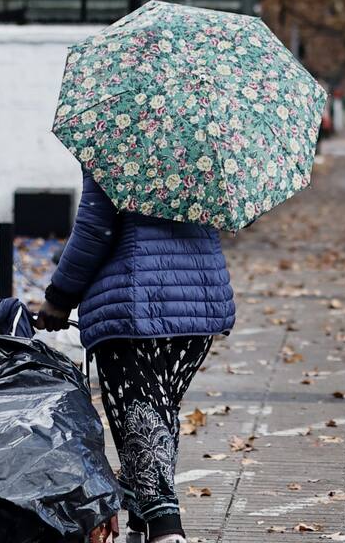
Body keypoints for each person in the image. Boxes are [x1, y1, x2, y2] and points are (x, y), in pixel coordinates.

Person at [37, 171, 235, 543]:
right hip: (201, 302)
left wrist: (59, 297)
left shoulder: (119, 142)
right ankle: (139, 521)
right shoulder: (207, 146)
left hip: (133, 302)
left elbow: (96, 229)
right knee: (156, 413)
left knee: (142, 416)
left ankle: (165, 528)